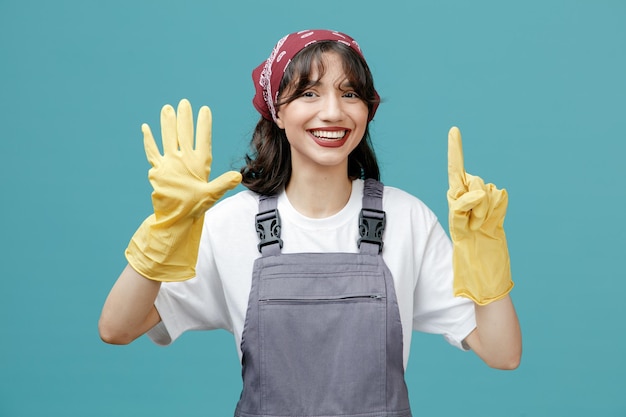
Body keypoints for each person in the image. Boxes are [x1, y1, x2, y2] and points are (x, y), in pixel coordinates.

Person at [99, 29, 522, 417]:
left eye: (350, 93)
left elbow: (503, 354)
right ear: (277, 111)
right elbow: (117, 327)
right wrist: (164, 233)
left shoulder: (407, 219)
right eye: (309, 94)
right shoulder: (230, 223)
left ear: (367, 109)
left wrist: (485, 258)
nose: (332, 112)